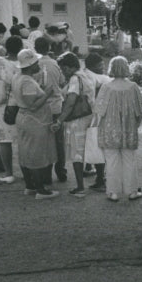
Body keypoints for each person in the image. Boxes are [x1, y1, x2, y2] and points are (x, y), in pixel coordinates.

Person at [93, 56, 142, 202]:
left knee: (111, 161)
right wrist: (135, 124)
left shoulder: (106, 87)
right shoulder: (133, 87)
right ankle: (132, 191)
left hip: (109, 129)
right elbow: (141, 109)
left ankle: (113, 192)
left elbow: (98, 109)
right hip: (129, 129)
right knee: (129, 160)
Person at [10, 48, 61, 199]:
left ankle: (30, 186)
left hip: (26, 118)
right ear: (30, 65)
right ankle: (40, 189)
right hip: (33, 120)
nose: (38, 64)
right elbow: (33, 105)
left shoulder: (18, 77)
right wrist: (47, 93)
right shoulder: (26, 81)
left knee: (26, 153)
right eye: (36, 63)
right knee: (36, 155)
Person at [57, 52, 97, 198]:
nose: (63, 72)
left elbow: (70, 102)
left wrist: (60, 120)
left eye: (64, 69)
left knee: (77, 153)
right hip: (89, 116)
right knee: (92, 149)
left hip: (77, 120)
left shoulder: (75, 79)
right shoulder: (86, 75)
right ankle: (100, 180)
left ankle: (80, 187)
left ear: (71, 67)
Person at [34, 36, 68, 182]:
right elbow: (62, 82)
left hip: (40, 107)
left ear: (35, 48)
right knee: (59, 141)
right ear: (49, 48)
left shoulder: (33, 65)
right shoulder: (55, 64)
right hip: (56, 106)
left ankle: (46, 174)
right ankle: (61, 171)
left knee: (44, 142)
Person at [0, 36, 22, 184]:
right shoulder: (25, 63)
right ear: (21, 48)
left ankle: (9, 173)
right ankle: (27, 171)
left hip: (1, 104)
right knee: (23, 140)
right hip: (21, 104)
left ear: (5, 48)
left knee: (4, 140)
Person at [83, 52, 110, 191]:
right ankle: (100, 178)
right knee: (97, 147)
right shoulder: (98, 78)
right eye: (100, 65)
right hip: (96, 115)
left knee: (93, 145)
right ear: (92, 66)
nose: (103, 67)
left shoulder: (87, 75)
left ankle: (94, 172)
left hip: (90, 115)